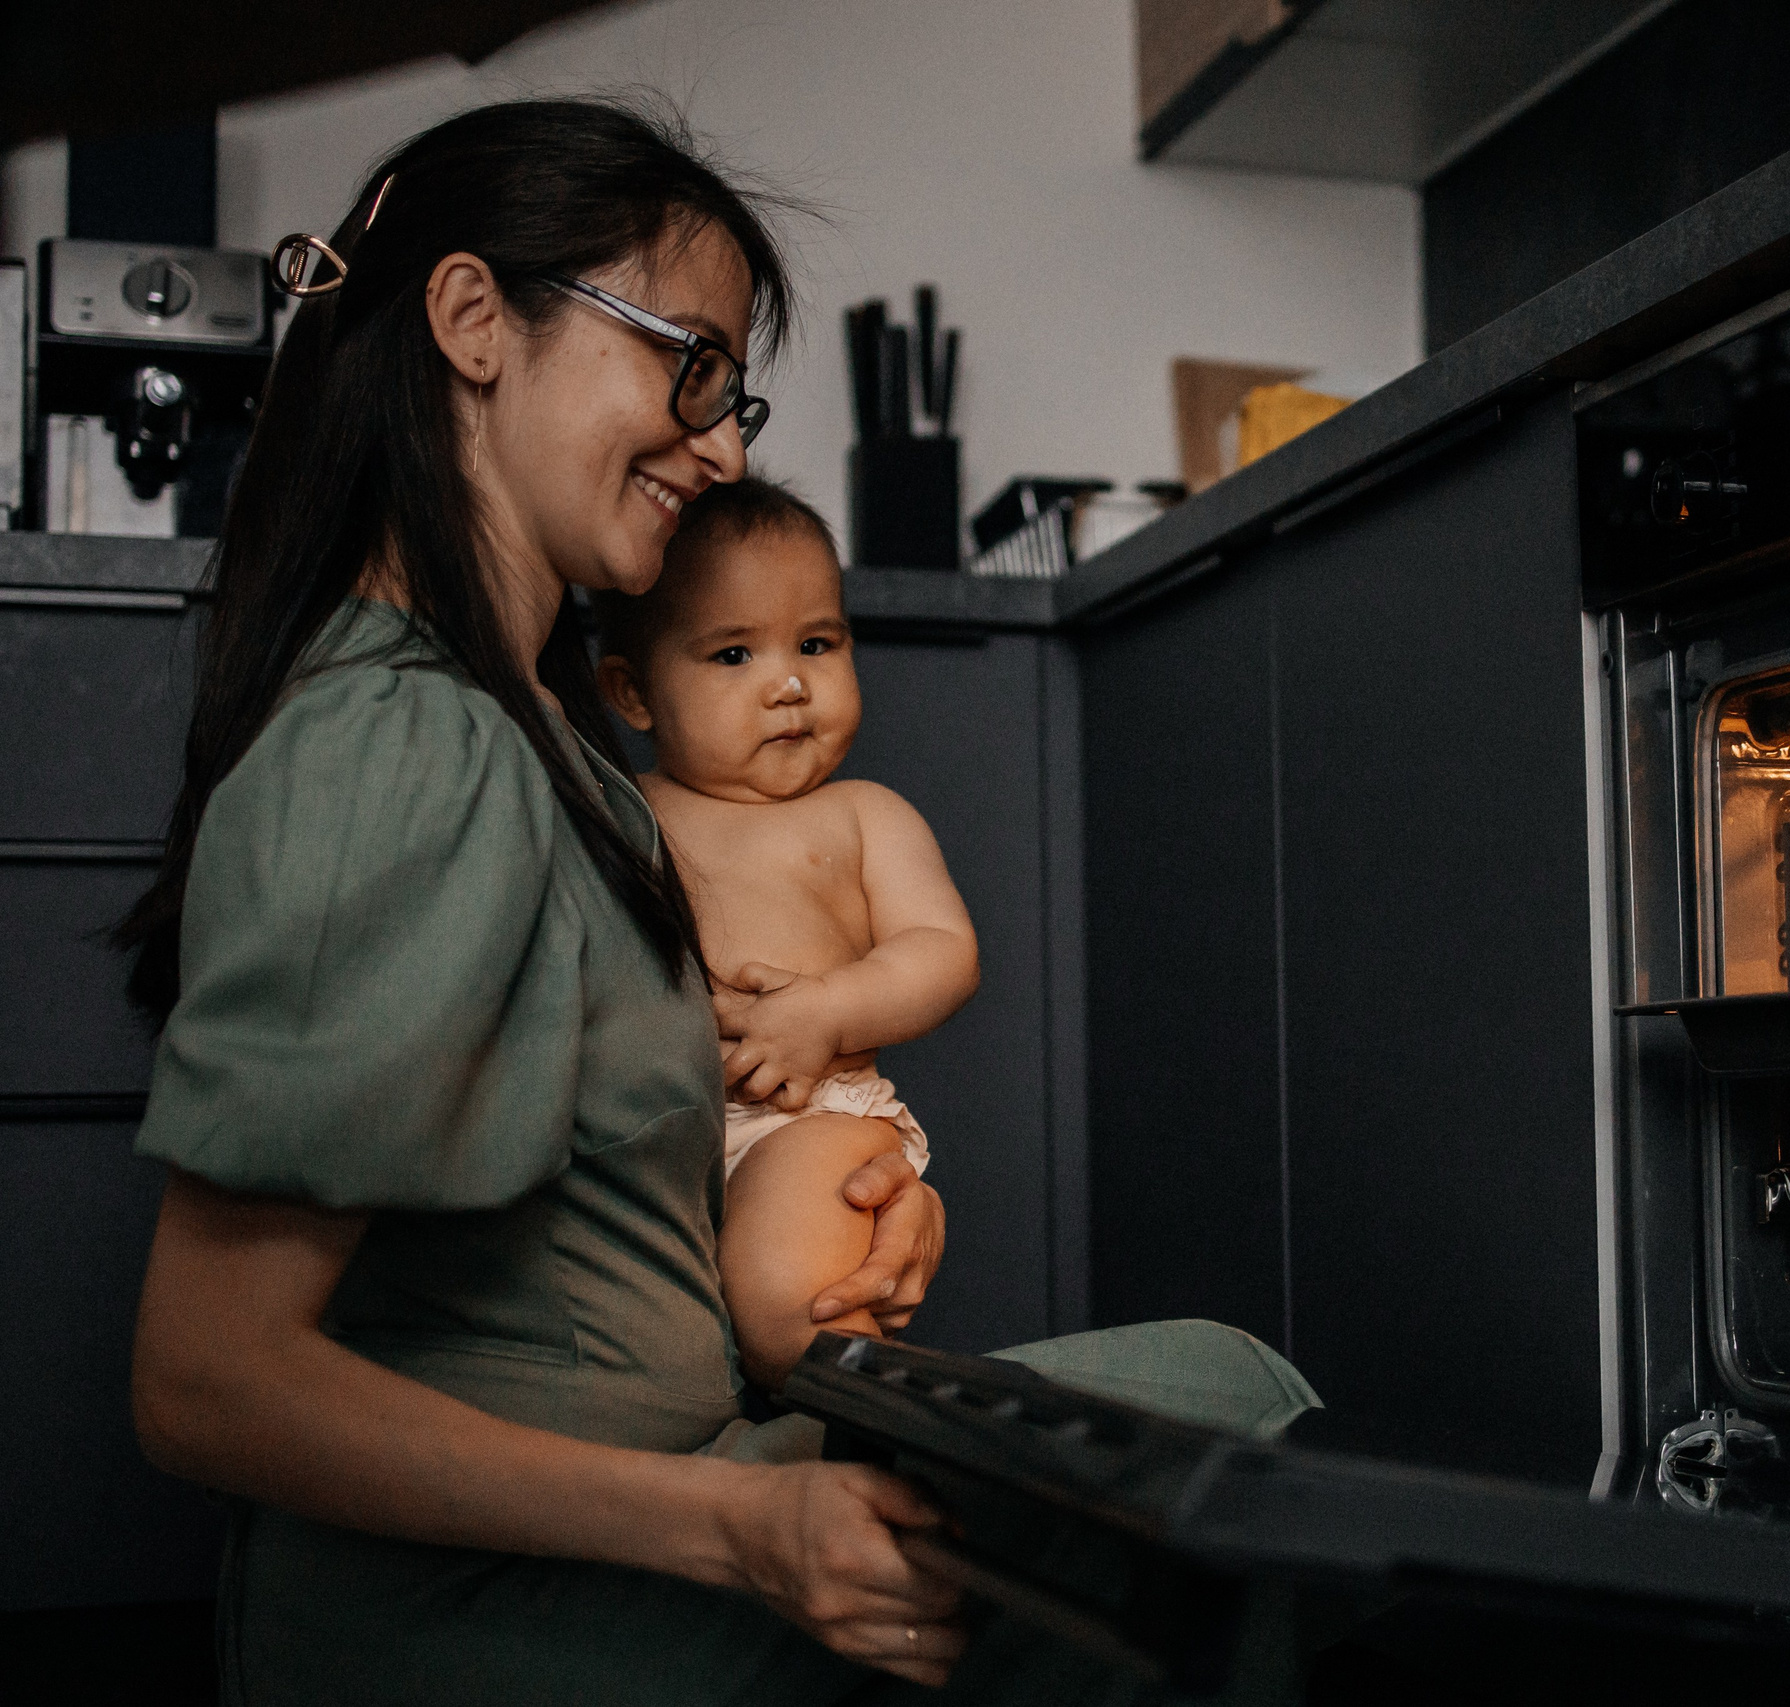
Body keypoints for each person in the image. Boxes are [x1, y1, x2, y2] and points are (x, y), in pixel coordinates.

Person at [116, 99, 1314, 1706]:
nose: (728, 443)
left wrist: (855, 1227)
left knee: (1222, 1395)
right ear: (474, 322)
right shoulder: (406, 741)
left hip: (671, 1477)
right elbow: (207, 1386)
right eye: (685, 364)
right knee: (1237, 1445)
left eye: (730, 389)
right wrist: (745, 1525)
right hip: (501, 1598)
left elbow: (603, 1206)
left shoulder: (542, 735)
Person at [593, 477, 974, 1391]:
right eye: (733, 655)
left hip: (809, 1124)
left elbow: (943, 949)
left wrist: (829, 1011)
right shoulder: (619, 812)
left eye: (816, 643)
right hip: (660, 1135)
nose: (790, 683)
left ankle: (899, 1421)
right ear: (634, 691)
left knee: (784, 1304)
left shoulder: (861, 816)